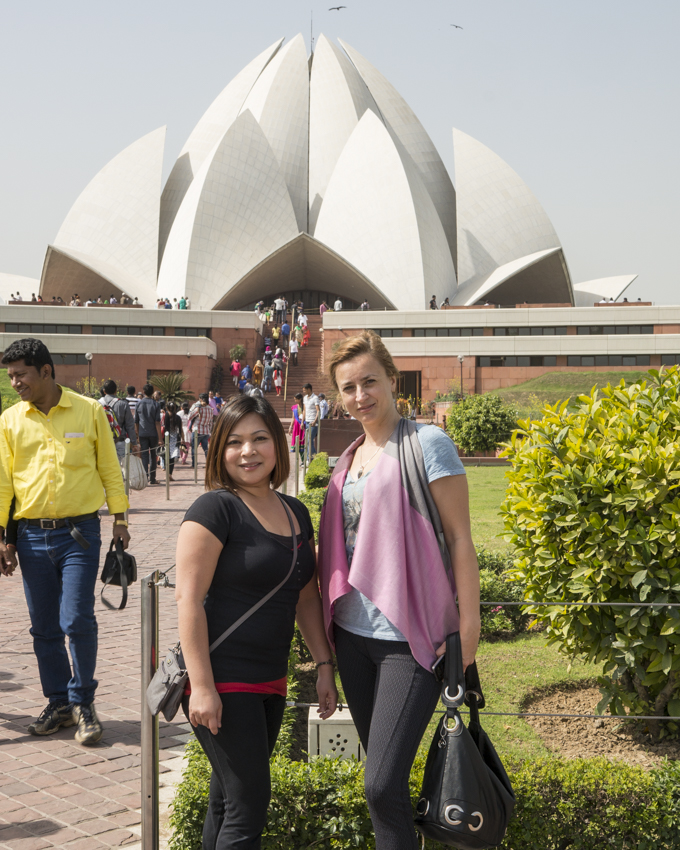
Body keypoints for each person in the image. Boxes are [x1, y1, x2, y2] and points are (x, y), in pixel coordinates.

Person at [317, 331, 480, 850]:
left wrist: (469, 631)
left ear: (392, 379)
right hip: (352, 637)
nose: (360, 395)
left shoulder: (427, 443)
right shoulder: (348, 458)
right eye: (348, 387)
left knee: (380, 782)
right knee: (384, 785)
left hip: (409, 640)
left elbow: (460, 539)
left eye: (369, 381)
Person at [175, 395, 337, 847]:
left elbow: (305, 595)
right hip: (224, 679)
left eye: (260, 438)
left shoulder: (295, 511)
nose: (248, 452)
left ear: (278, 445)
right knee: (249, 805)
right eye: (235, 442)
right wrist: (202, 687)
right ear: (220, 451)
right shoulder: (214, 510)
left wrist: (324, 664)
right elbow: (187, 600)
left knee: (227, 801)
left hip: (271, 679)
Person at [0, 338, 130, 745]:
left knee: (76, 618)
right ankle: (59, 703)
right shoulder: (10, 420)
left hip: (80, 533)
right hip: (30, 537)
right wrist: (4, 539)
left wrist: (120, 517)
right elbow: (4, 484)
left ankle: (83, 702)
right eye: (10, 376)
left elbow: (109, 466)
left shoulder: (89, 410)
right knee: (43, 627)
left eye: (21, 374)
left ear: (46, 371)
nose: (15, 382)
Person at [99, 379, 139, 461]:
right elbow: (130, 425)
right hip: (119, 441)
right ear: (116, 390)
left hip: (102, 442)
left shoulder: (97, 404)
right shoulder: (123, 404)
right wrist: (134, 443)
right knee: (121, 468)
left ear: (104, 391)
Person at [135, 384, 162, 485]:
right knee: (153, 455)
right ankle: (152, 478)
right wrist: (160, 438)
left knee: (145, 456)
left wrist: (137, 434)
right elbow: (157, 422)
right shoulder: (156, 404)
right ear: (152, 392)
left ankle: (145, 478)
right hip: (153, 433)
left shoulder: (139, 404)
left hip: (142, 433)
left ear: (144, 392)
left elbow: (136, 422)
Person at [161, 402, 185, 481]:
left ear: (166, 408)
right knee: (171, 459)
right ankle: (170, 474)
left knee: (166, 457)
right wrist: (183, 440)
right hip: (175, 440)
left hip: (166, 439)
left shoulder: (164, 416)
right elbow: (181, 430)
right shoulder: (178, 417)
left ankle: (167, 474)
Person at [189, 393, 214, 468]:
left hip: (197, 431)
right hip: (205, 432)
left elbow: (189, 417)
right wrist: (209, 431)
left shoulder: (198, 409)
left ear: (201, 399)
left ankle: (194, 464)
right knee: (206, 448)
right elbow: (210, 422)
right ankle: (208, 463)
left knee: (194, 448)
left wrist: (196, 410)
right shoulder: (210, 409)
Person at [302, 383, 320, 461]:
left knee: (310, 440)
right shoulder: (305, 398)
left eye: (304, 390)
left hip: (313, 423)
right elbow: (304, 410)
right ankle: (310, 458)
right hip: (307, 421)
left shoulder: (315, 398)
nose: (304, 391)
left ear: (309, 389)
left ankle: (312, 458)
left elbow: (318, 411)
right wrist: (302, 422)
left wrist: (315, 421)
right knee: (307, 441)